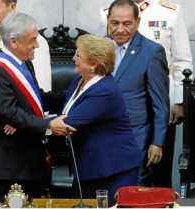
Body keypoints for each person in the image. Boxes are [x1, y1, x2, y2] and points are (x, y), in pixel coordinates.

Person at [0, 11, 75, 197]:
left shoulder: (24, 63)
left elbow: (35, 99)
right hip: (8, 168)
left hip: (31, 163)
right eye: (32, 40)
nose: (37, 45)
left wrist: (74, 95)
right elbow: (9, 112)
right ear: (14, 41)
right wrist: (48, 124)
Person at [59, 34, 141, 202]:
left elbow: (69, 123)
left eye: (78, 55)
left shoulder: (105, 91)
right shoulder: (79, 81)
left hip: (112, 170)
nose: (73, 58)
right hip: (87, 166)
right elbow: (59, 98)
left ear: (93, 64)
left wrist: (29, 123)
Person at [0, 0, 52, 151]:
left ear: (12, 6)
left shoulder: (34, 41)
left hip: (22, 127)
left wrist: (33, 125)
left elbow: (38, 90)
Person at [106, 0, 169, 186]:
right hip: (100, 135)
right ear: (108, 21)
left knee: (131, 189)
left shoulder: (152, 52)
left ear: (138, 22)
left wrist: (157, 143)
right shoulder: (99, 47)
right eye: (115, 23)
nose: (120, 29)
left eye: (127, 23)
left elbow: (161, 103)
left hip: (134, 136)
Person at [134, 0, 193, 187]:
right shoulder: (109, 11)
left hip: (161, 102)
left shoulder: (171, 12)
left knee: (160, 169)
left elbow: (181, 60)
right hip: (129, 103)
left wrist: (178, 101)